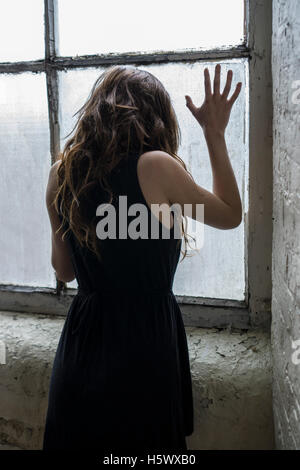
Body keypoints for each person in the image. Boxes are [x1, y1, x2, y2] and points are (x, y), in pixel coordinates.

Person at [43, 63, 242, 451]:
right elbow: (230, 215)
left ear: (96, 113)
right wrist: (214, 134)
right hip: (145, 344)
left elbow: (63, 271)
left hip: (82, 344)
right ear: (157, 118)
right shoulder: (155, 166)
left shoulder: (61, 173)